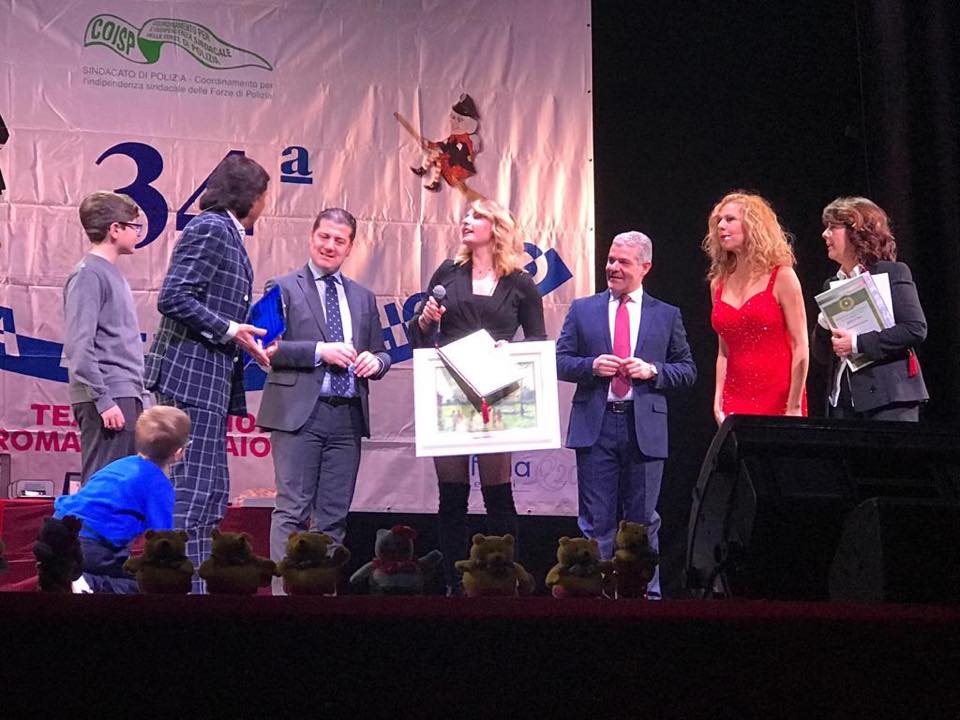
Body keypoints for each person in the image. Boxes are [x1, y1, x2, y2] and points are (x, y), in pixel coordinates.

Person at [144, 154, 271, 592]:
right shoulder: (211, 228)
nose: (266, 204)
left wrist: (244, 338)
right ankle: (174, 592)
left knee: (211, 493)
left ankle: (197, 594)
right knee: (191, 493)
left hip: (208, 382)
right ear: (250, 197)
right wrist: (230, 329)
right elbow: (173, 297)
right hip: (188, 379)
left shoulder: (226, 233)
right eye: (264, 195)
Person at [408, 198, 545, 594]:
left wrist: (512, 351)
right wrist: (425, 321)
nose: (466, 220)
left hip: (496, 392)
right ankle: (456, 585)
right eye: (466, 215)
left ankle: (501, 583)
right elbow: (419, 337)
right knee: (452, 497)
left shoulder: (520, 282)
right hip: (450, 388)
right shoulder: (448, 273)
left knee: (497, 495)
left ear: (496, 228)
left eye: (477, 216)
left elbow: (538, 340)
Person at [256, 208, 391, 594]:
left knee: (333, 517)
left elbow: (381, 352)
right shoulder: (281, 286)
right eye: (324, 237)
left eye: (339, 240)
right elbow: (265, 347)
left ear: (350, 247)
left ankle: (322, 599)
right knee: (292, 510)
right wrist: (320, 351)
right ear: (311, 237)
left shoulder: (363, 297)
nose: (330, 245)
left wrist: (376, 362)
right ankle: (285, 597)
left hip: (347, 417)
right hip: (299, 415)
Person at [556, 231, 696, 599]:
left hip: (643, 426)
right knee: (596, 522)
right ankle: (596, 596)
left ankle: (647, 598)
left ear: (645, 267)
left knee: (642, 522)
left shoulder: (666, 314)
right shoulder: (583, 309)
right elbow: (560, 361)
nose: (613, 267)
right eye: (610, 260)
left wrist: (652, 370)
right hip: (596, 425)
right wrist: (591, 366)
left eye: (623, 262)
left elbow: (687, 370)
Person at [52, 405, 191, 593]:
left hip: (58, 528)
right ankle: (89, 583)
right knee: (150, 584)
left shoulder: (120, 464)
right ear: (179, 452)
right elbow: (163, 540)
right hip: (90, 545)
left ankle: (79, 578)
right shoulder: (159, 485)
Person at [811, 197, 928, 420]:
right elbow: (823, 356)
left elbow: (914, 329)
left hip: (889, 399)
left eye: (833, 227)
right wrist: (823, 324)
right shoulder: (832, 285)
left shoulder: (891, 272)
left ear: (856, 230)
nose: (825, 234)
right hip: (843, 402)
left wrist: (856, 343)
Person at [64, 191, 149, 484]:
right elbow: (79, 345)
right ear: (115, 229)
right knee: (105, 487)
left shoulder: (110, 273)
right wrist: (103, 399)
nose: (138, 233)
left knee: (122, 488)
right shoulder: (88, 274)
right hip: (109, 395)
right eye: (135, 226)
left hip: (124, 394)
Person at [703, 191, 808, 424]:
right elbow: (724, 351)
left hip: (780, 396)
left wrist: (794, 406)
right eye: (719, 221)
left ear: (753, 225)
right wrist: (718, 400)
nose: (721, 226)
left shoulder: (782, 276)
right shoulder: (718, 284)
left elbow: (800, 345)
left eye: (730, 219)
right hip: (734, 397)